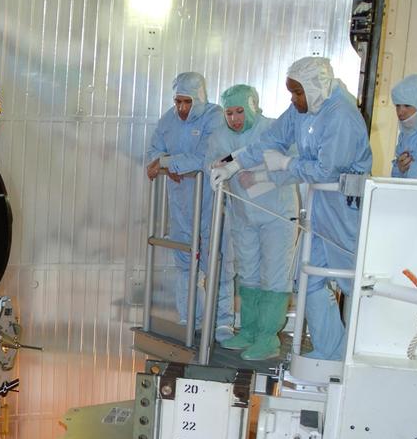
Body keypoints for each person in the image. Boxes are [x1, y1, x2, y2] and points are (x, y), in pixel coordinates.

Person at [213, 57, 372, 362]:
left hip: (345, 207)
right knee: (311, 278)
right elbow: (271, 140)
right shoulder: (303, 110)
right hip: (321, 205)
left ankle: (357, 352)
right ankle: (330, 349)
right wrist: (234, 163)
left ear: (315, 87)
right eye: (291, 93)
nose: (293, 99)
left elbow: (327, 169)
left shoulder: (341, 116)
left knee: (351, 279)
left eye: (297, 93)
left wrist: (284, 166)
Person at [210, 84, 299, 360]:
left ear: (252, 107)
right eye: (230, 112)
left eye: (240, 111)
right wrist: (220, 169)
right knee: (248, 272)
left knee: (273, 275)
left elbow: (293, 164)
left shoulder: (271, 130)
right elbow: (216, 160)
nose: (235, 118)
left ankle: (267, 337)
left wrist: (261, 176)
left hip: (277, 216)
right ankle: (248, 330)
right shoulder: (219, 136)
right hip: (244, 216)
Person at [145, 72, 232, 337]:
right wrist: (163, 160)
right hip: (181, 201)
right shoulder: (168, 120)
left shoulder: (214, 117)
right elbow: (152, 153)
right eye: (178, 101)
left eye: (187, 102)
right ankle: (190, 316)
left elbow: (208, 156)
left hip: (209, 200)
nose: (181, 108)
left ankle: (222, 321)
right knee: (185, 260)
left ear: (199, 99)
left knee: (216, 259)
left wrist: (170, 163)